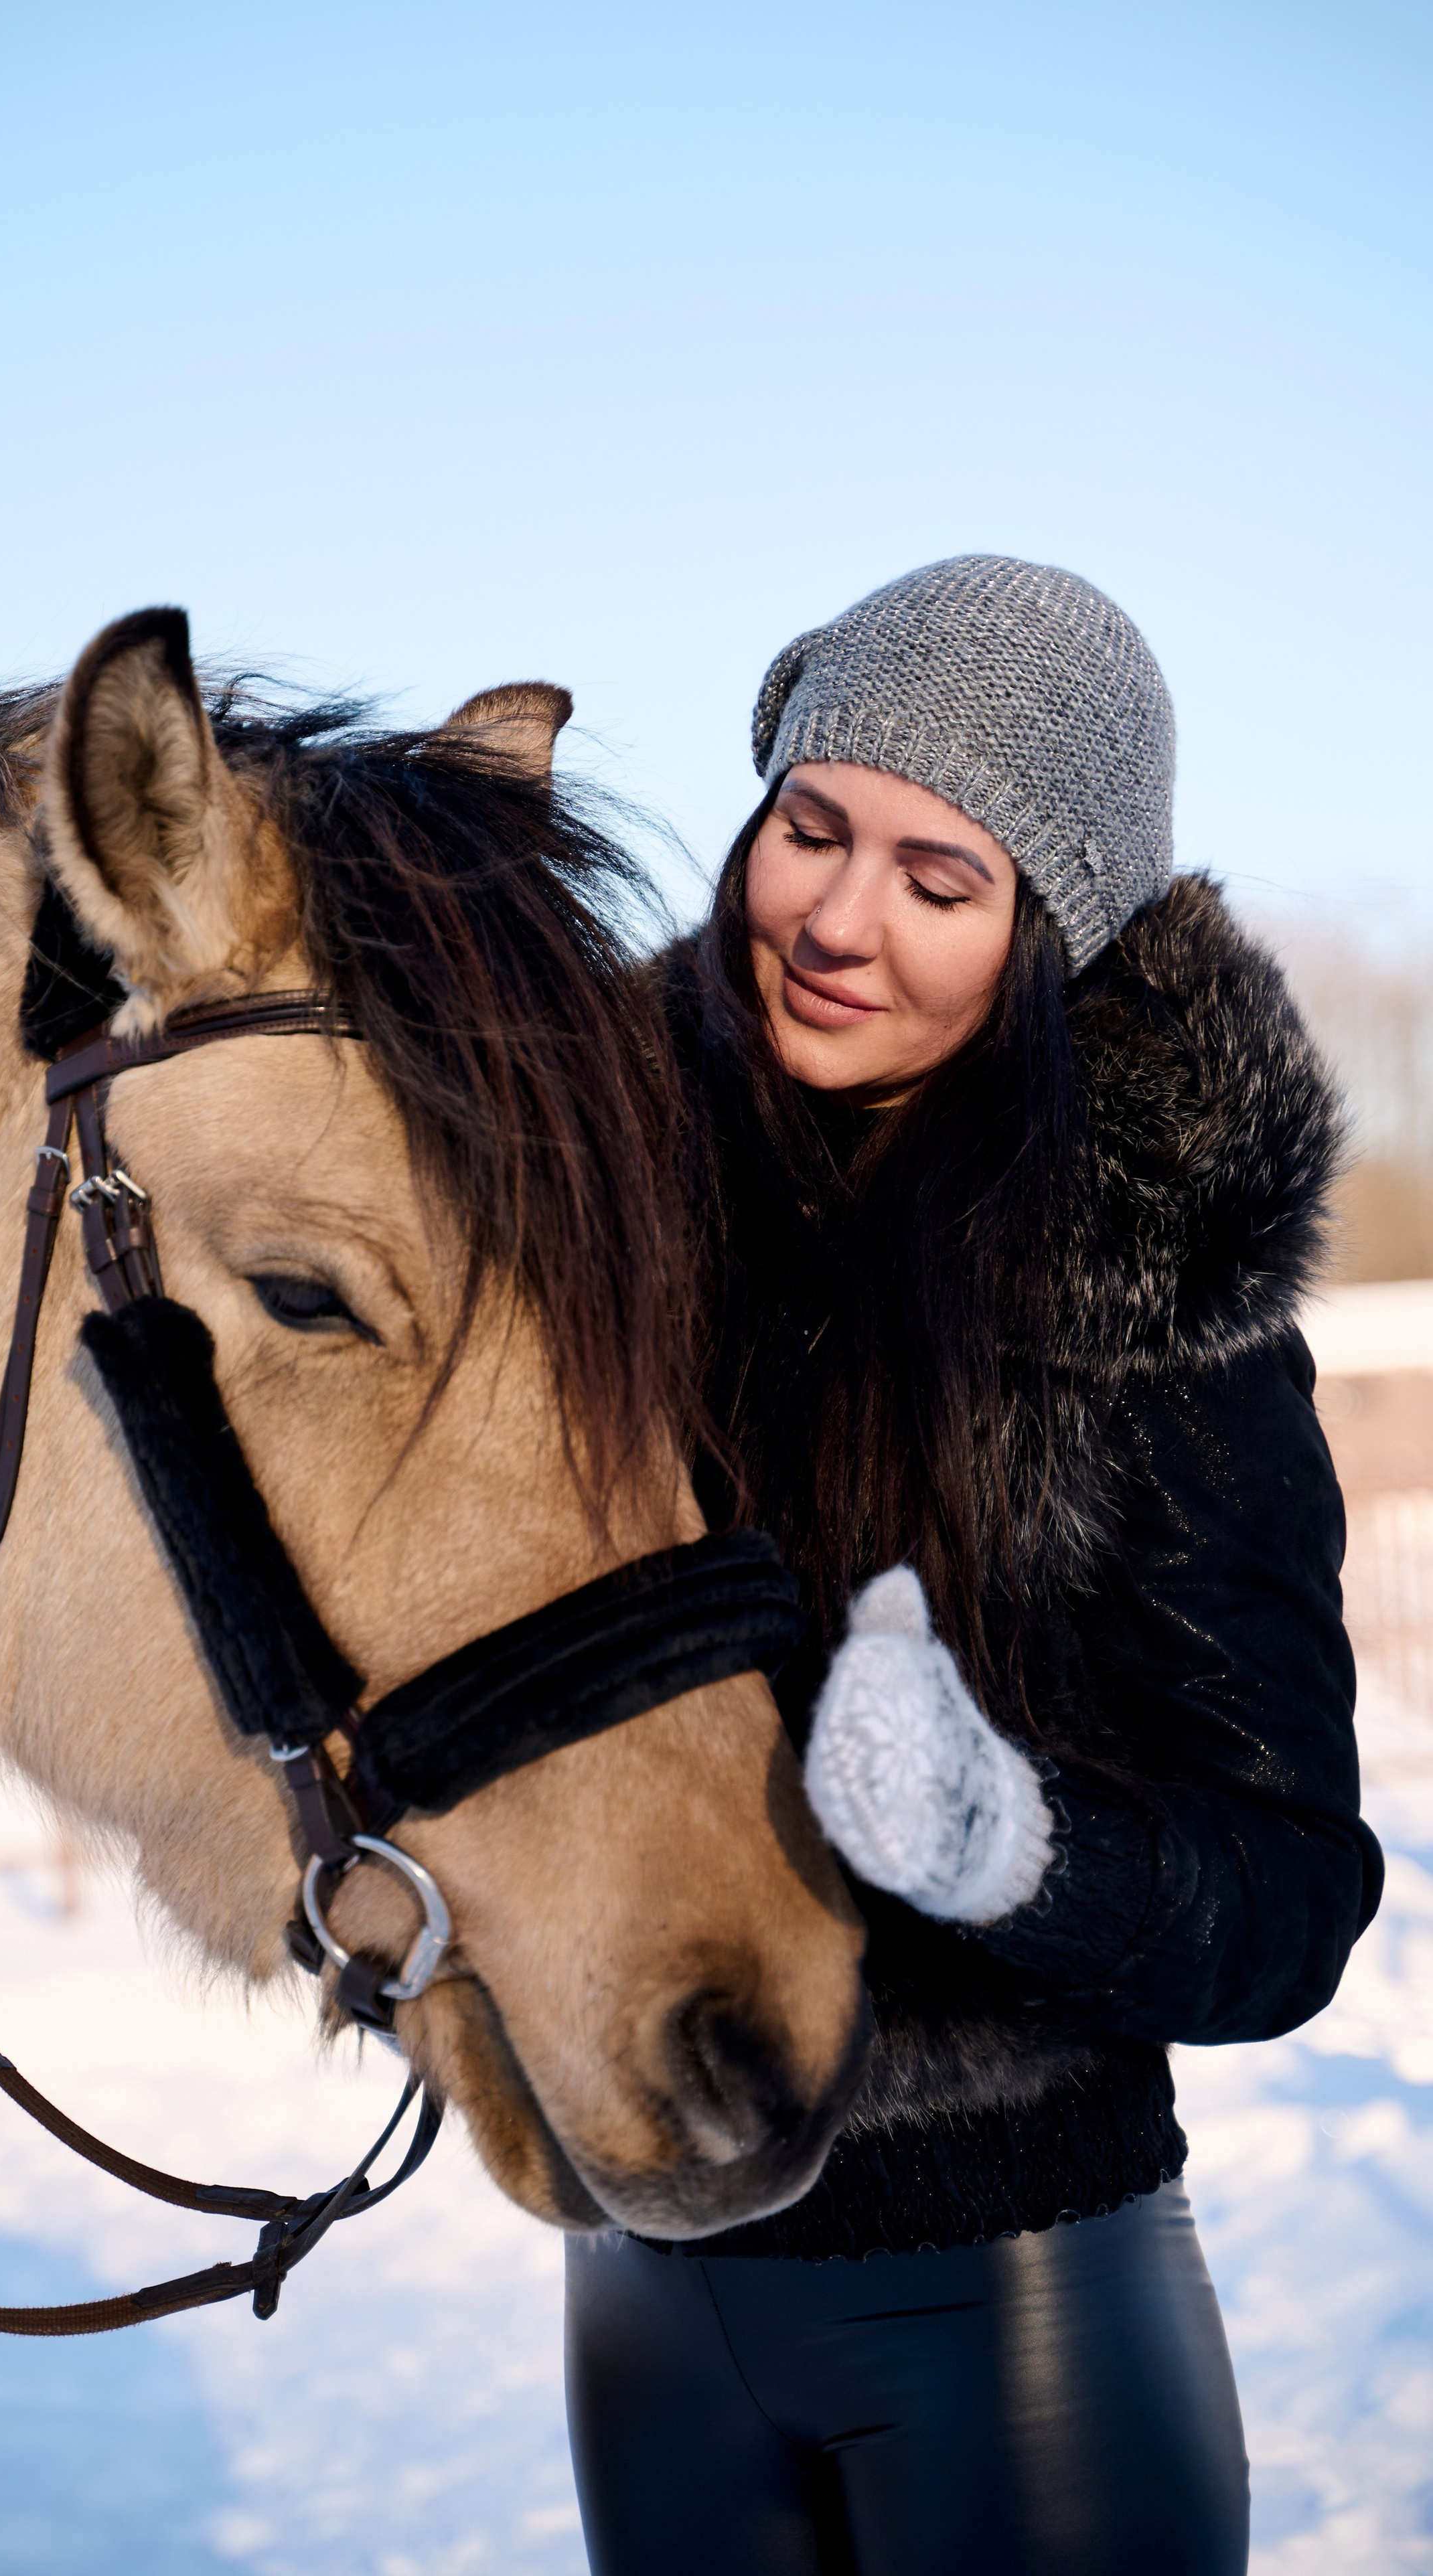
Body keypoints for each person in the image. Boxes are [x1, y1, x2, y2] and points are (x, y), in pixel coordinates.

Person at [563, 556, 1385, 2576]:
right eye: (812, 830)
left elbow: (1285, 1899)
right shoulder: (590, 1228)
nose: (840, 921)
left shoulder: (1152, 1312)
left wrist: (1014, 1848)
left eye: (942, 880)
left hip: (1009, 2297)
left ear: (1049, 933)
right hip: (643, 2280)